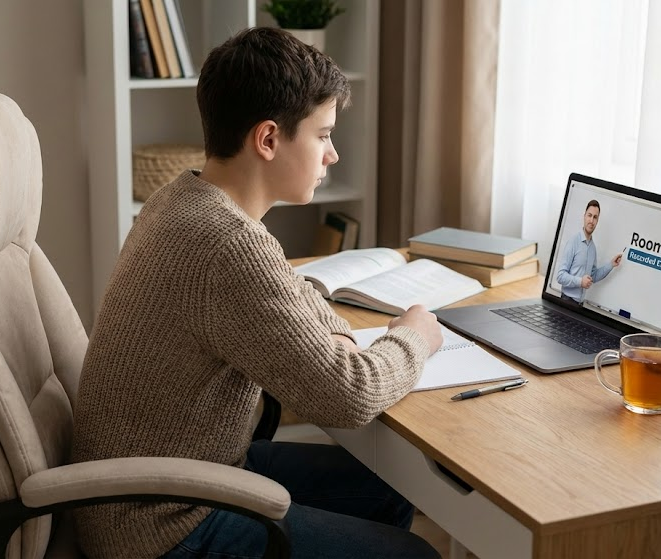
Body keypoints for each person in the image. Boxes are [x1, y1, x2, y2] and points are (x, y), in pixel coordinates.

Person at [71, 27, 444, 559]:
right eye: (322, 135)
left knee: (391, 485)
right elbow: (349, 395)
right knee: (417, 555)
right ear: (268, 139)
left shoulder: (185, 196)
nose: (333, 155)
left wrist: (332, 332)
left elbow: (290, 290)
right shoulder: (227, 244)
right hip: (162, 521)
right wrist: (413, 338)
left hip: (165, 480)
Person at [555, 199, 622, 304]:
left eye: (595, 217)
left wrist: (611, 265)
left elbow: (593, 276)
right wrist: (580, 281)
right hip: (567, 301)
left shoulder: (592, 248)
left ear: (597, 221)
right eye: (589, 215)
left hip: (579, 304)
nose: (591, 220)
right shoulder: (573, 242)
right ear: (584, 216)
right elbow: (560, 276)